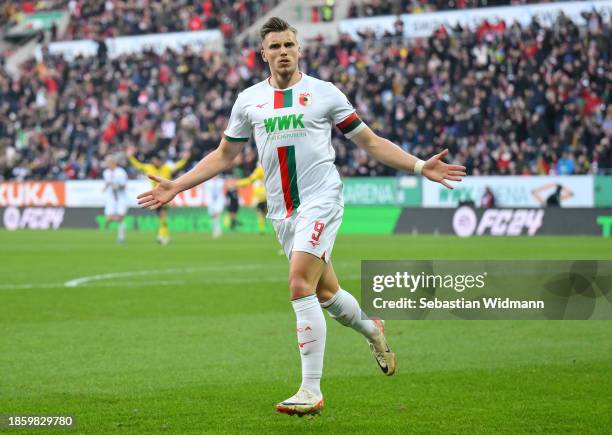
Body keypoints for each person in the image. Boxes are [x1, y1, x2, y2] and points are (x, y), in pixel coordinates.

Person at [137, 17, 465, 416]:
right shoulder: (248, 100)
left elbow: (370, 141)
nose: (283, 52)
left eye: (289, 45)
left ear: (299, 49)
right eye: (274, 47)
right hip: (282, 212)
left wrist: (418, 166)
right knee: (326, 294)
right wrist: (176, 185)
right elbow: (225, 154)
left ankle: (311, 390)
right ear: (263, 54)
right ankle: (372, 329)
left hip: (321, 199)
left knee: (298, 284)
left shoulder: (324, 94)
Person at [127, 145, 190, 245]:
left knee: (162, 217)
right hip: (156, 196)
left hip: (167, 196)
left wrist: (184, 159)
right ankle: (164, 236)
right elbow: (138, 165)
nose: (156, 162)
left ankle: (162, 236)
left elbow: (178, 165)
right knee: (162, 217)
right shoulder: (149, 168)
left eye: (158, 160)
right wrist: (130, 157)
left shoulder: (167, 168)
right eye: (155, 160)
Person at [102, 155, 128, 243]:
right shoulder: (106, 172)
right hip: (111, 198)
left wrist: (117, 186)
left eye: (109, 162)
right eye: (107, 162)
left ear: (114, 162)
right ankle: (118, 222)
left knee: (121, 217)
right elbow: (107, 183)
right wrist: (105, 187)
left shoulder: (121, 172)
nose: (107, 164)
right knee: (108, 218)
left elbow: (124, 185)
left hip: (121, 197)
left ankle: (121, 238)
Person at [235, 164, 267, 235]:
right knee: (263, 214)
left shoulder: (260, 170)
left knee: (262, 214)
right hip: (266, 196)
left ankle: (262, 229)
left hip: (264, 197)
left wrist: (237, 183)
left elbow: (250, 180)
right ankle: (262, 230)